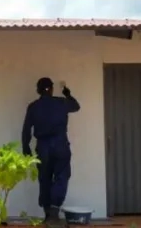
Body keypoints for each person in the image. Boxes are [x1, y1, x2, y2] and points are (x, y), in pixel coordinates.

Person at [21, 77, 81, 223]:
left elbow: (26, 129)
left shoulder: (33, 107)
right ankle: (54, 210)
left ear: (38, 91)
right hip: (60, 144)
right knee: (61, 176)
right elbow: (76, 106)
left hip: (43, 147)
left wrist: (26, 147)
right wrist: (67, 93)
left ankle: (48, 213)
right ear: (52, 89)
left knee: (45, 178)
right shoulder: (61, 102)